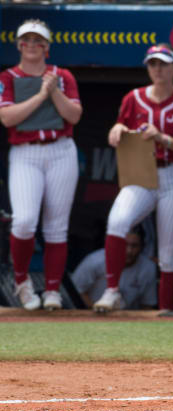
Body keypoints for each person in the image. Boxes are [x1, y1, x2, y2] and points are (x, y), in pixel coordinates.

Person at [0, 19, 82, 311]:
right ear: (19, 45)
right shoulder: (8, 77)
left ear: (47, 47)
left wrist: (54, 91)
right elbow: (7, 118)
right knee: (23, 220)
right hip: (25, 151)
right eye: (26, 41)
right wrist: (40, 96)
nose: (31, 45)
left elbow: (74, 116)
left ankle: (52, 291)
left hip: (60, 150)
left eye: (38, 41)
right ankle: (21, 282)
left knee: (57, 228)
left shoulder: (62, 76)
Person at [93, 44, 173, 313]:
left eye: (163, 64)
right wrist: (117, 129)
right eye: (153, 64)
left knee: (167, 250)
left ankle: (167, 308)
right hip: (141, 172)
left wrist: (162, 138)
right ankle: (112, 291)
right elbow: (120, 127)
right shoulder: (134, 97)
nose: (158, 69)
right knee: (117, 221)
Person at [71, 227, 157, 309]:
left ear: (142, 247)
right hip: (94, 313)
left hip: (128, 318)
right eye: (125, 244)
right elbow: (76, 290)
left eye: (134, 246)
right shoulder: (95, 260)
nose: (129, 251)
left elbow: (147, 304)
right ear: (116, 244)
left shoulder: (148, 267)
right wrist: (95, 310)